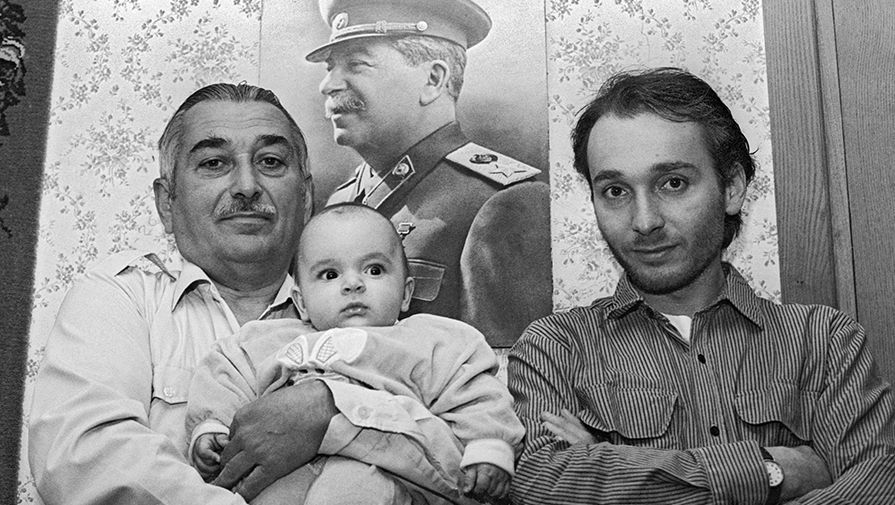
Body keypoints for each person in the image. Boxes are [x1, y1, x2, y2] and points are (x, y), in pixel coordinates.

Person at [28, 83, 470, 505]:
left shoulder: (373, 309)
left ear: (306, 197)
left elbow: (474, 466)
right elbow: (82, 456)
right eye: (214, 163)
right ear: (167, 203)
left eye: (271, 162)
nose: (246, 186)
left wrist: (334, 411)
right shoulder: (123, 294)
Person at [508, 67, 895, 504]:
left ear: (731, 188)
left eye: (672, 183)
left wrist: (609, 466)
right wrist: (769, 471)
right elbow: (540, 485)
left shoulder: (825, 341)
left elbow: (880, 485)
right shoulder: (556, 348)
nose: (644, 221)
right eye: (615, 191)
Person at [187, 202, 523, 504]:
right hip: (284, 473)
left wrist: (488, 448)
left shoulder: (434, 340)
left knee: (352, 488)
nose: (353, 284)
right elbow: (225, 373)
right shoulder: (268, 339)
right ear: (301, 301)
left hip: (378, 471)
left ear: (406, 293)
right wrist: (211, 427)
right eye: (330, 274)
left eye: (374, 270)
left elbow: (477, 396)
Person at [306, 0, 552, 347]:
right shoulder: (342, 199)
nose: (328, 85)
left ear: (434, 79)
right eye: (330, 68)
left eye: (357, 64)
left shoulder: (504, 204)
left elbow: (509, 372)